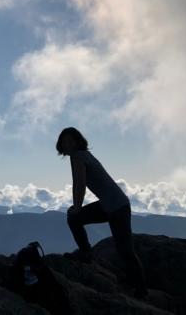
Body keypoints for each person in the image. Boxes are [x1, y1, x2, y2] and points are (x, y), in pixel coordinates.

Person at [55, 127, 148, 299]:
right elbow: (78, 183)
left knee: (124, 249)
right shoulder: (82, 155)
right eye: (64, 141)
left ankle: (140, 289)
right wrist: (77, 206)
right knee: (124, 249)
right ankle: (138, 286)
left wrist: (77, 206)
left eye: (70, 141)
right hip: (114, 205)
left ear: (77, 142)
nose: (67, 144)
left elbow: (80, 183)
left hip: (116, 207)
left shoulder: (78, 157)